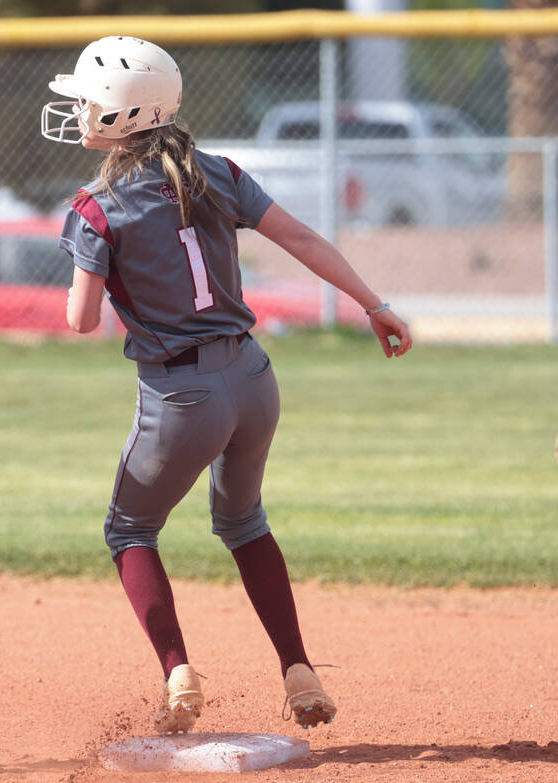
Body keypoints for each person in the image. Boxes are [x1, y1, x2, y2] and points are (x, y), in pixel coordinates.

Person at [42, 36, 412, 733]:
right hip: (253, 378)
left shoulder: (95, 204)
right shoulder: (214, 170)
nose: (81, 110)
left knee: (130, 529)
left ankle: (180, 672)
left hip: (182, 397)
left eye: (90, 101)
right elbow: (301, 240)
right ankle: (298, 668)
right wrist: (374, 303)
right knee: (244, 523)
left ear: (123, 117)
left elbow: (80, 319)